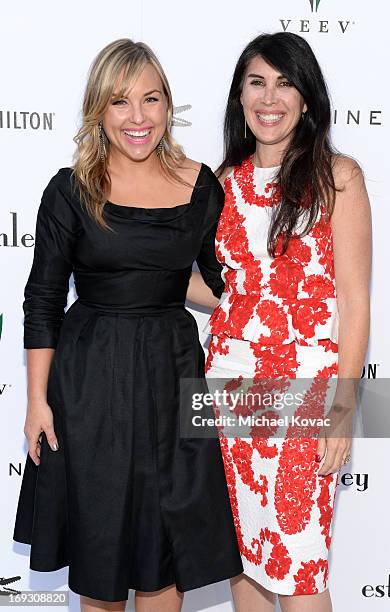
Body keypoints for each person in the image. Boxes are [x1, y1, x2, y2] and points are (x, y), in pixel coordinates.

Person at [13, 38, 242, 611]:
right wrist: (38, 402)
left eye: (151, 99)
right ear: (99, 110)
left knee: (165, 546)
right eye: (120, 102)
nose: (137, 118)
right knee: (103, 547)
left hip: (171, 373)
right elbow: (42, 299)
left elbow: (217, 285)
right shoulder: (70, 190)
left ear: (168, 106)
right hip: (92, 381)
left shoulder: (201, 186)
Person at [204, 33, 372, 612]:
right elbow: (230, 287)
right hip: (227, 392)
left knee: (299, 568)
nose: (269, 97)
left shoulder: (338, 178)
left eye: (284, 82)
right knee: (244, 563)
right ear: (240, 97)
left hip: (305, 396)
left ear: (306, 99)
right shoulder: (223, 184)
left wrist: (343, 412)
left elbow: (353, 300)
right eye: (257, 82)